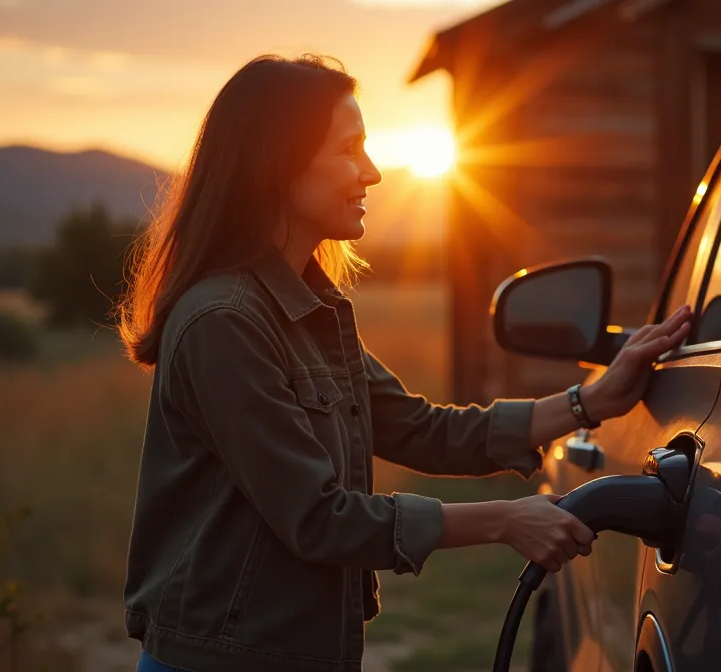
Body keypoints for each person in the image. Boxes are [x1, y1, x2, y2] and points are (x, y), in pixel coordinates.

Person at [116, 54, 692, 672]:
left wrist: (591, 402)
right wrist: (503, 521)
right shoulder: (224, 323)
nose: (372, 172)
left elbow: (419, 429)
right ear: (278, 166)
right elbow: (317, 517)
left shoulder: (310, 312)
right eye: (349, 150)